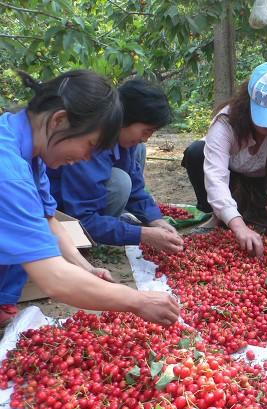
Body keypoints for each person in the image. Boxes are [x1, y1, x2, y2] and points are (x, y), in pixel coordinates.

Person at [0, 70, 180, 328]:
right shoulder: (9, 173)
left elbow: (48, 220)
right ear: (59, 121)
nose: (87, 159)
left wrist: (86, 268)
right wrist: (137, 301)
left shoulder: (28, 146)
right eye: (90, 145)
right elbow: (55, 280)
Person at [182, 61, 267, 257]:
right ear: (247, 102)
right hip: (233, 178)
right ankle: (218, 216)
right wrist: (238, 227)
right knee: (196, 152)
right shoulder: (225, 123)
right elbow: (216, 178)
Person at [47, 78, 183, 253]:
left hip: (81, 205)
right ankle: (89, 241)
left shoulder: (122, 140)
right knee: (120, 181)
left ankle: (111, 224)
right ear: (124, 119)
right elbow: (84, 218)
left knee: (138, 150)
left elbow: (136, 185)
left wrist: (155, 219)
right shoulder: (88, 145)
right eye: (146, 131)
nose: (146, 138)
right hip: (63, 218)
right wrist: (143, 234)